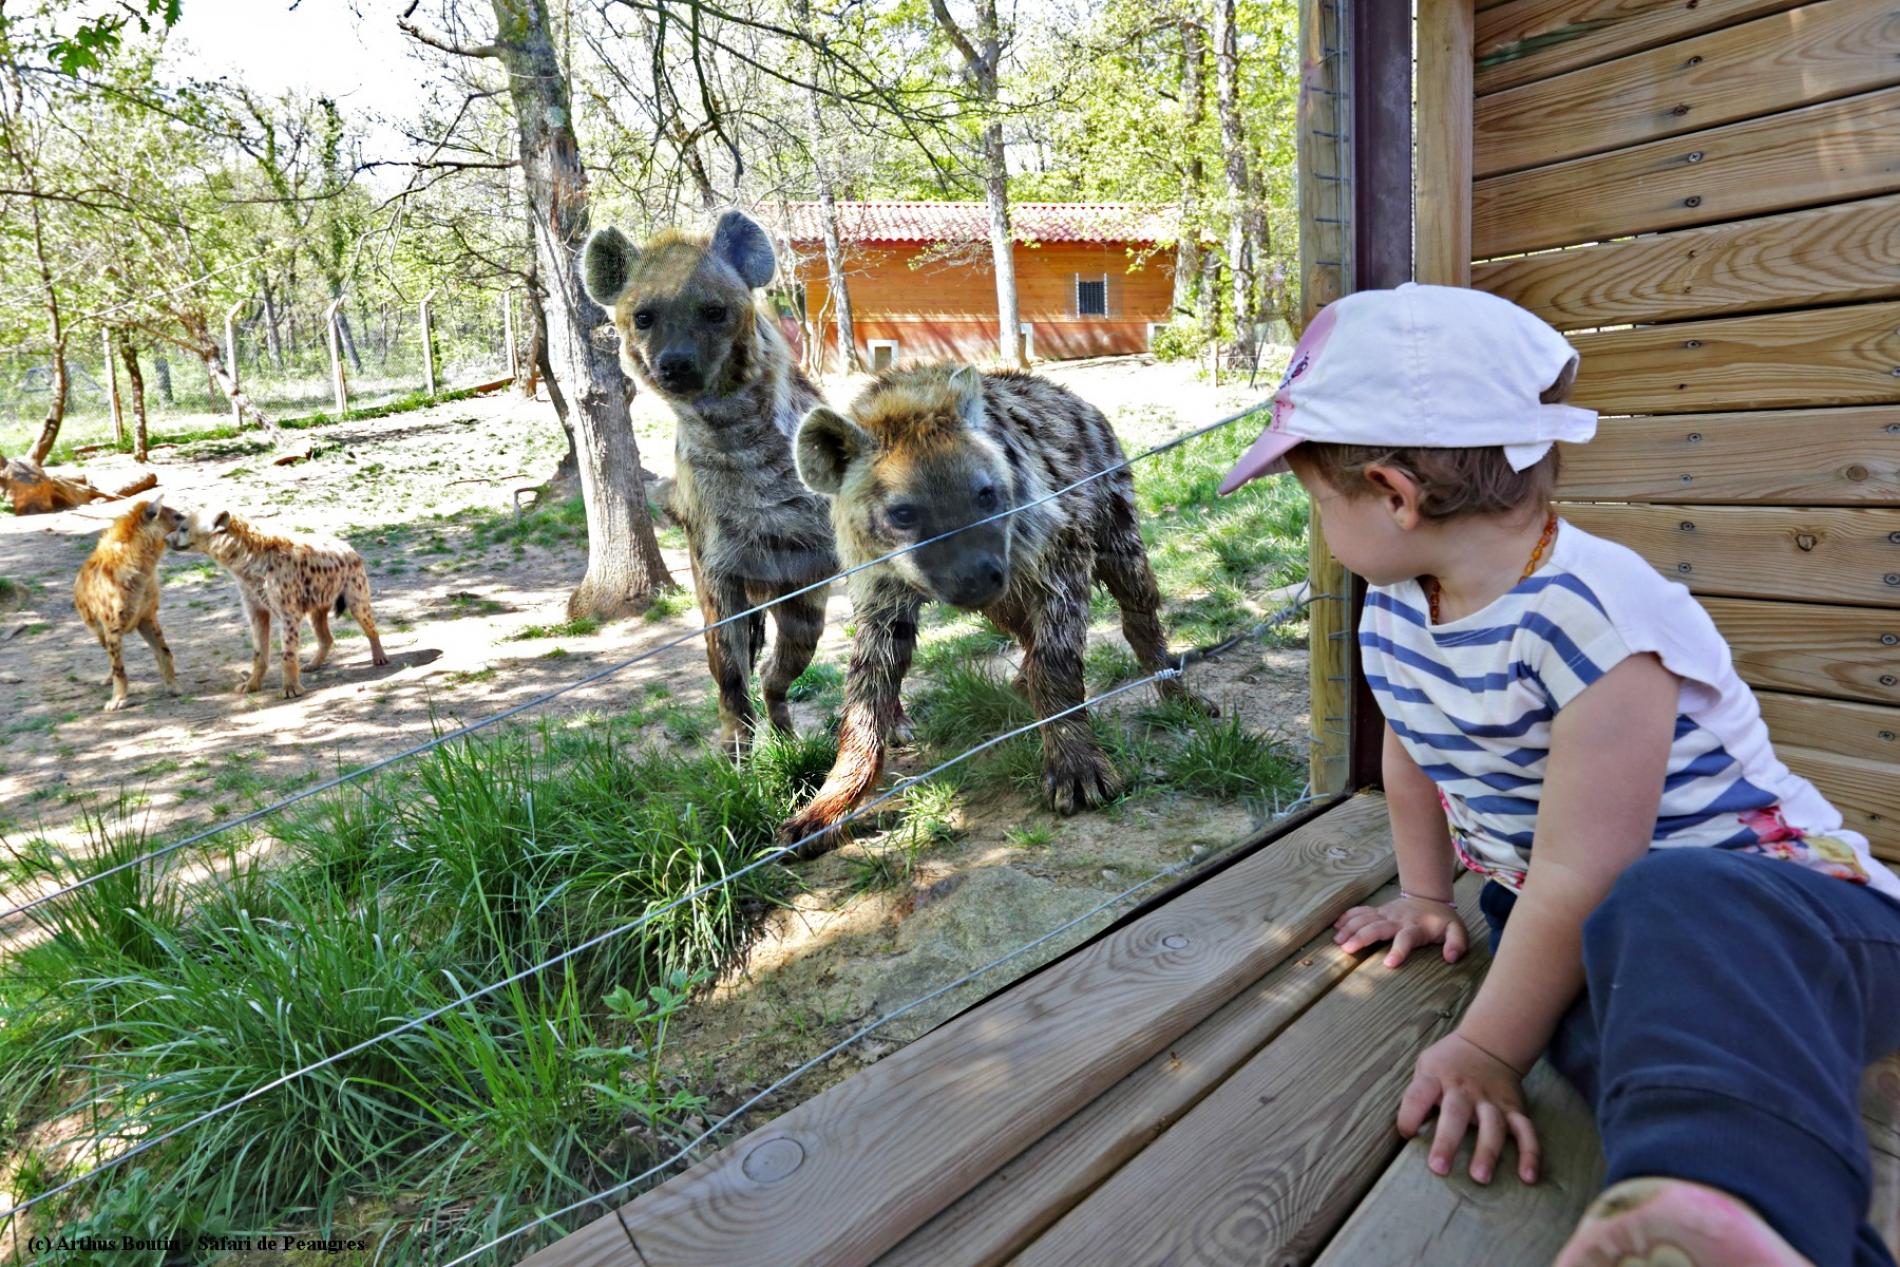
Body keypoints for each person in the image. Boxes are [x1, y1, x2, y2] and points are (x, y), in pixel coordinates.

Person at [1218, 283, 1900, 1267]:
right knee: (1602, 1032)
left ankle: (1726, 1196)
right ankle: (1717, 1223)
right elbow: (1409, 744)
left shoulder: (1596, 618)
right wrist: (1422, 892)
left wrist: (1487, 1050)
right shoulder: (1401, 603)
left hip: (1793, 920)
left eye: (1319, 501)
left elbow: (1589, 870)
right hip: (1580, 911)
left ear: (1394, 495)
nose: (1321, 527)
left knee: (1654, 916)